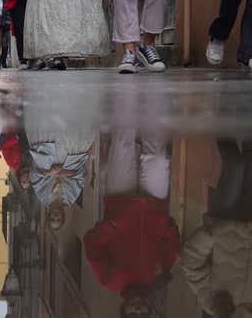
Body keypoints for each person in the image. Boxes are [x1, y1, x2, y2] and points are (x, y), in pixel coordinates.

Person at [84, 127, 179, 318]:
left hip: (120, 201)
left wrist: (112, 226)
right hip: (154, 204)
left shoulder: (110, 281)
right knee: (159, 158)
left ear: (123, 311)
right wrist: (163, 223)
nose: (137, 310)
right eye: (142, 314)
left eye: (132, 315)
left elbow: (92, 245)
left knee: (122, 144)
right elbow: (173, 243)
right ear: (149, 310)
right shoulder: (160, 276)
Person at [182, 138, 252, 317]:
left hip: (224, 219)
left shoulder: (210, 302)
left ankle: (223, 121)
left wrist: (209, 235)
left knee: (235, 165)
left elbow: (191, 265)